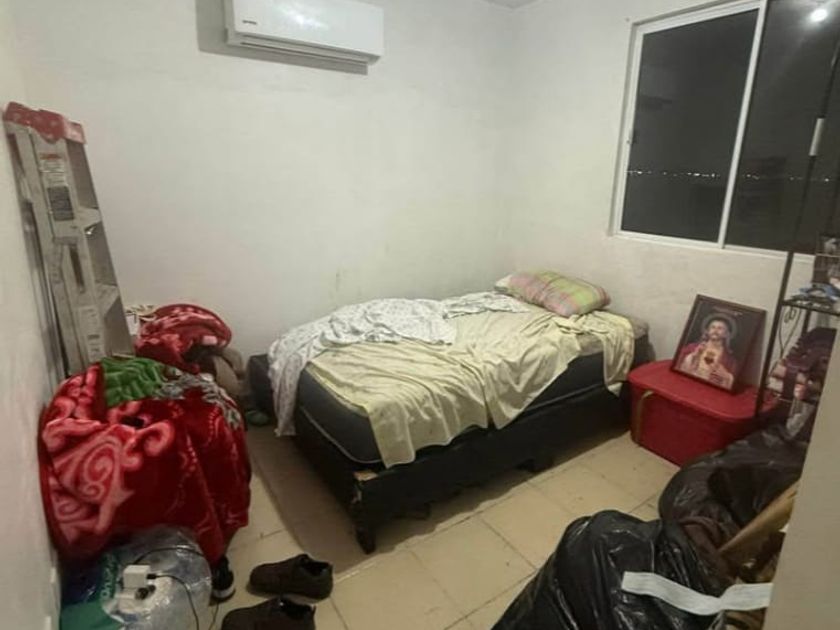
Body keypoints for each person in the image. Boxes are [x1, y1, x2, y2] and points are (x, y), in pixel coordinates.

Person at [676, 314, 738, 389]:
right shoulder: (692, 347)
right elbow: (678, 366)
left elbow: (731, 382)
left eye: (720, 328)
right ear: (707, 331)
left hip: (710, 389)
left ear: (726, 334)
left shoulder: (730, 359)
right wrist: (693, 356)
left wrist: (726, 376)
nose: (715, 330)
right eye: (713, 327)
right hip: (689, 384)